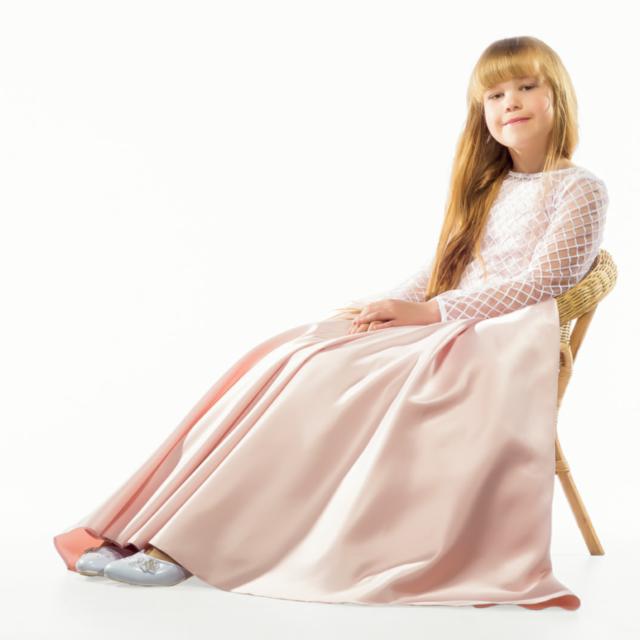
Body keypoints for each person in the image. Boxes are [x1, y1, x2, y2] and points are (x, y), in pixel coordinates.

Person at [53, 35, 609, 610]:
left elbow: (542, 283)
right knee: (294, 354)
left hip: (494, 342)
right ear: (481, 111)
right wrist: (386, 304)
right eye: (494, 94)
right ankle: (160, 522)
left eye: (526, 86)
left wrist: (432, 312)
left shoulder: (580, 189)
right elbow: (443, 265)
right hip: (445, 324)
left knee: (329, 382)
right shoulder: (488, 187)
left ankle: (191, 545)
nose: (510, 101)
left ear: (557, 96)